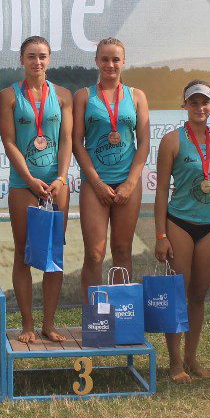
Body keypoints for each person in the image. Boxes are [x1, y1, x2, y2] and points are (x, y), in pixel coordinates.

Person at [0, 36, 73, 343]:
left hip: (56, 186)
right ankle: (27, 324)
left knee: (53, 254)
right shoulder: (9, 96)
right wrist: (29, 179)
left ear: (49, 59)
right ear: (22, 59)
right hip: (24, 185)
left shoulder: (63, 95)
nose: (37, 61)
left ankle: (49, 324)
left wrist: (62, 178)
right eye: (31, 56)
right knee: (23, 254)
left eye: (42, 56)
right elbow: (9, 141)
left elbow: (67, 140)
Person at [154, 80, 210, 381]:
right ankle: (175, 363)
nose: (199, 108)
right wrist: (161, 235)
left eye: (204, 102)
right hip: (179, 223)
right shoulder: (171, 140)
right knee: (177, 294)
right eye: (193, 102)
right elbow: (161, 191)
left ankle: (191, 358)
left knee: (199, 295)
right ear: (184, 105)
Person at [73, 38, 151, 292]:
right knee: (94, 253)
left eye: (115, 59)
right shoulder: (84, 96)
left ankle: (121, 311)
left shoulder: (137, 96)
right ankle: (94, 313)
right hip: (95, 184)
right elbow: (76, 143)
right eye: (104, 59)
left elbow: (144, 142)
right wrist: (96, 183)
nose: (110, 64)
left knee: (122, 250)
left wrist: (130, 183)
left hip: (127, 183)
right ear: (96, 61)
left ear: (123, 62)